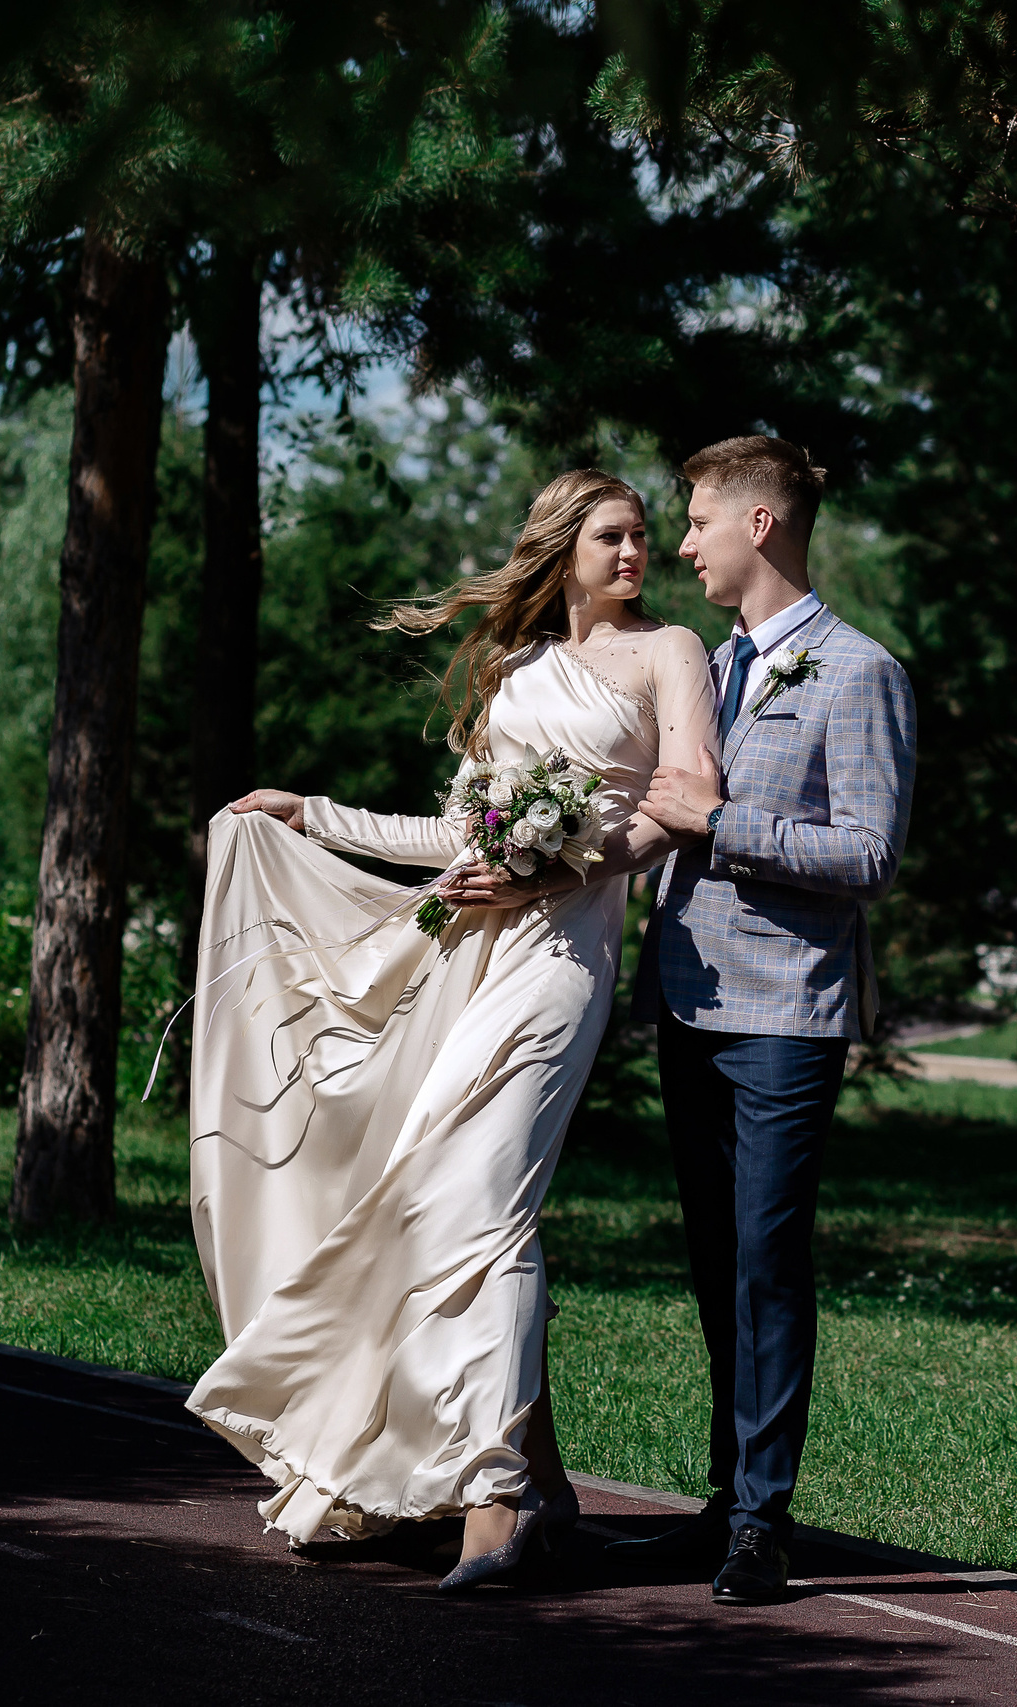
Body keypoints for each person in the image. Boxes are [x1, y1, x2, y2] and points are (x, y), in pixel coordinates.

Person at [181, 469, 719, 1592]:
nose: (637, 556)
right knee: (443, 1200)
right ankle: (543, 1483)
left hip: (566, 957)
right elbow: (454, 831)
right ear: (561, 548)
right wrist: (311, 814)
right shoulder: (515, 669)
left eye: (642, 540)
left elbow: (682, 802)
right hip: (470, 955)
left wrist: (553, 869)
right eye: (612, 538)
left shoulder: (671, 650)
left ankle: (496, 1494)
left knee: (479, 1203)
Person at [609, 436, 917, 1605]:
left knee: (767, 1264)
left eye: (693, 522)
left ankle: (762, 1524)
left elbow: (870, 854)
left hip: (786, 1017)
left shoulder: (857, 672)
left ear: (758, 526)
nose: (676, 545)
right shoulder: (705, 666)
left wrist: (719, 822)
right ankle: (720, 1500)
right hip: (689, 1003)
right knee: (713, 1262)